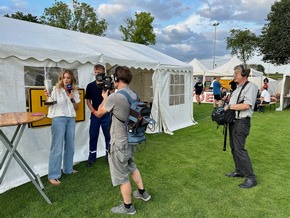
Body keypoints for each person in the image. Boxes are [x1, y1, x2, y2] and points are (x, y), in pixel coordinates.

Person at [94, 66, 150, 215]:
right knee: (131, 166)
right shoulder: (134, 94)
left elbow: (99, 113)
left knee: (122, 176)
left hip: (119, 143)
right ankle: (143, 193)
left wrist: (105, 98)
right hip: (132, 139)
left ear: (116, 79)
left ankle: (128, 207)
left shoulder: (115, 97)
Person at [223, 64, 258, 189]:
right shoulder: (237, 88)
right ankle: (239, 171)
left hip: (242, 122)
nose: (234, 76)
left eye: (236, 74)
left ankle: (251, 178)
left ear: (243, 74)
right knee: (234, 148)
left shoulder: (251, 87)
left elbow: (247, 105)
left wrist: (229, 107)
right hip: (234, 122)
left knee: (240, 149)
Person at [45, 70, 80, 186]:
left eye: (68, 78)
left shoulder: (74, 91)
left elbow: (77, 108)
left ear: (72, 79)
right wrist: (48, 96)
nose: (66, 80)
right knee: (57, 147)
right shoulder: (55, 89)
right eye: (64, 77)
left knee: (70, 145)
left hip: (70, 119)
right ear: (61, 79)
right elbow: (49, 104)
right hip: (58, 118)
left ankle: (68, 169)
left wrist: (72, 99)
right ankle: (53, 175)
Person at [85, 64, 110, 167]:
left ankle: (109, 156)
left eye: (99, 73)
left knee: (108, 136)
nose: (97, 75)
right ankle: (92, 158)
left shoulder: (107, 86)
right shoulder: (90, 86)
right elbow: (88, 101)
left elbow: (111, 100)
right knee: (93, 136)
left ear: (103, 74)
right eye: (95, 73)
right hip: (95, 114)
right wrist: (94, 112)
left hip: (106, 114)